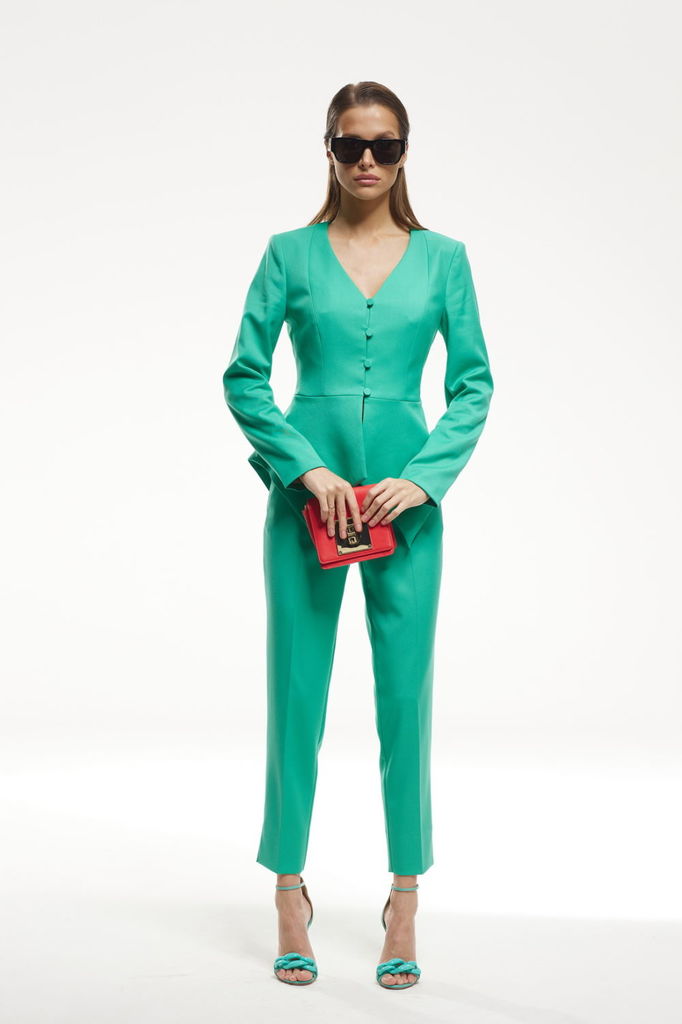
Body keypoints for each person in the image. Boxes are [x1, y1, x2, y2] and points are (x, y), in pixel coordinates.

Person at [222, 80, 494, 989]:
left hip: (406, 510)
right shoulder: (289, 254)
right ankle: (288, 890)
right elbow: (245, 376)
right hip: (309, 501)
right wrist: (307, 470)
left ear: (405, 152)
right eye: (350, 145)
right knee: (296, 691)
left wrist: (423, 480)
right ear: (329, 151)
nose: (368, 159)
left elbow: (474, 385)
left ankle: (404, 898)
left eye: (384, 145)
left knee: (405, 698)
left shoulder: (445, 259)